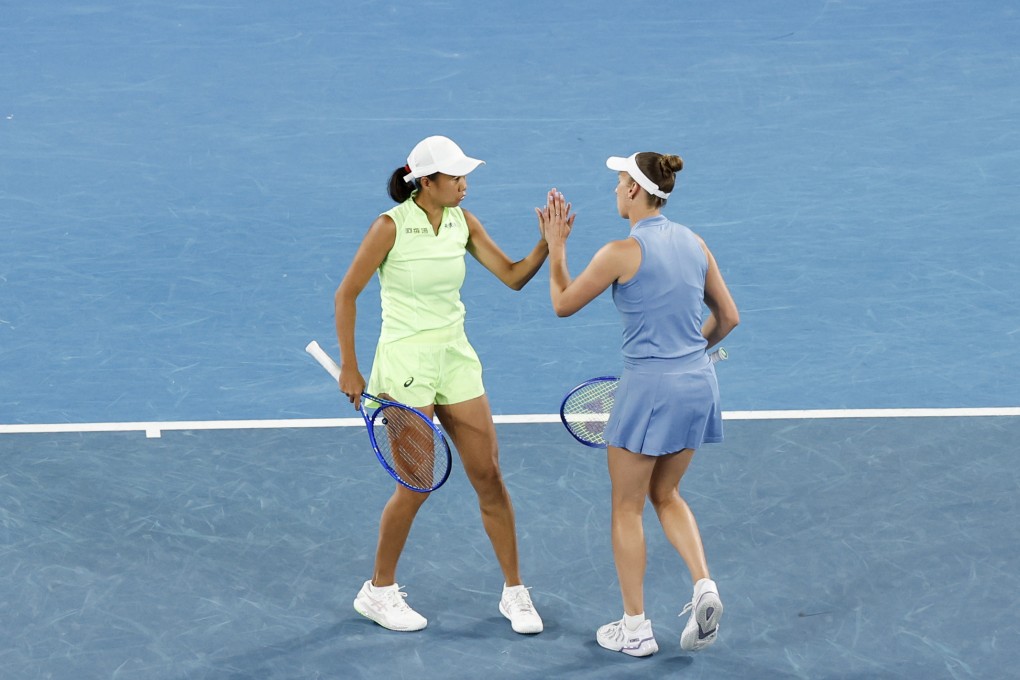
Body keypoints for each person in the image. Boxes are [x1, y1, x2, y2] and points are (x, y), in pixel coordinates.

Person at [334, 135, 548, 635]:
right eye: (455, 178)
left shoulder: (462, 222)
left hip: (455, 358)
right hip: (405, 362)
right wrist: (351, 365)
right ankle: (378, 591)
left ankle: (514, 592)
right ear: (425, 183)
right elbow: (347, 295)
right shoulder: (389, 228)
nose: (464, 185)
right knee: (416, 484)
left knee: (488, 475)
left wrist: (546, 245)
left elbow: (513, 276)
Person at [537, 151, 739, 656]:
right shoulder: (695, 243)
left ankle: (635, 629)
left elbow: (562, 304)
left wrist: (556, 246)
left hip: (647, 391)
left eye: (619, 181)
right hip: (698, 385)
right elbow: (729, 317)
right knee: (666, 495)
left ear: (635, 191)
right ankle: (703, 586)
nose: (614, 189)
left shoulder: (618, 252)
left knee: (626, 508)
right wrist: (689, 356)